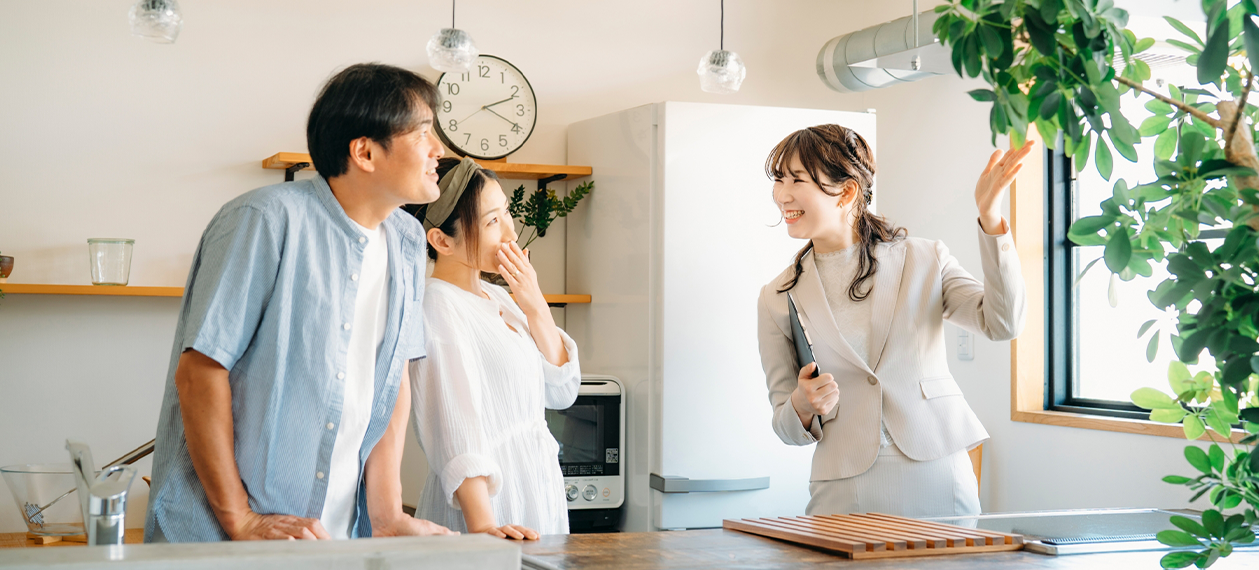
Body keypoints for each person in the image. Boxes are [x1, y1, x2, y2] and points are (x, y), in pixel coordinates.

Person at [145, 63, 456, 542]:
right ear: (365, 152)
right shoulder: (263, 220)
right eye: (423, 134)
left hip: (333, 538)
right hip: (221, 535)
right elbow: (200, 373)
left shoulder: (409, 241)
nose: (440, 151)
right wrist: (240, 520)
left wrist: (388, 515)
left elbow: (391, 384)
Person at [757, 124, 1030, 518]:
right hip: (844, 483)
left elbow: (1003, 323)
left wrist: (990, 218)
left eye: (796, 179)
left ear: (847, 192)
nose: (782, 194)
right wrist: (801, 403)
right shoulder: (777, 296)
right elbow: (784, 423)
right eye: (779, 179)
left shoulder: (925, 259)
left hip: (936, 467)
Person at [405, 157, 580, 539]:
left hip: (538, 489)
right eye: (491, 222)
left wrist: (535, 305)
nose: (510, 234)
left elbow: (562, 392)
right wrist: (483, 525)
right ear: (441, 240)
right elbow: (455, 426)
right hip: (488, 504)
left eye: (506, 213)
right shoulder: (437, 306)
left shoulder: (499, 295)